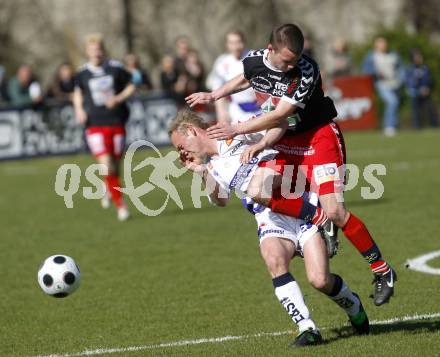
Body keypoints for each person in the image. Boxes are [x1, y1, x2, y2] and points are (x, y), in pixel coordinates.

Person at [186, 24, 396, 306]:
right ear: (270, 50)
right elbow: (245, 77)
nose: (290, 66)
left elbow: (282, 115)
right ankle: (318, 220)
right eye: (286, 60)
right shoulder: (253, 59)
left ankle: (382, 270)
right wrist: (215, 95)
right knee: (259, 188)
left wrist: (238, 130)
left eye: (295, 60)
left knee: (335, 209)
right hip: (286, 139)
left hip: (318, 137)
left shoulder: (306, 70)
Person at [169, 110, 369, 348]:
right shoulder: (213, 166)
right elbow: (220, 199)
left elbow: (280, 122)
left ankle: (352, 304)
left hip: (300, 204)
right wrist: (201, 171)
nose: (181, 153)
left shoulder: (236, 131)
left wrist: (262, 141)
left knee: (319, 279)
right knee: (274, 260)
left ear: (191, 131)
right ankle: (307, 327)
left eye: (180, 146)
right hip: (270, 218)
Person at [73, 33, 135, 221]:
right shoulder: (82, 73)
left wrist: (118, 98)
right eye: (92, 50)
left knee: (115, 166)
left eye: (99, 49)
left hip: (116, 120)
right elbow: (77, 93)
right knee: (106, 164)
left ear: (103, 50)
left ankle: (107, 186)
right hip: (94, 123)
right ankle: (121, 207)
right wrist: (78, 110)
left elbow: (132, 85)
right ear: (87, 51)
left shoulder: (115, 68)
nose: (96, 53)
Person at [206, 30, 260, 124]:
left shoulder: (255, 57)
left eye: (238, 42)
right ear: (227, 44)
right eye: (232, 43)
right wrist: (221, 113)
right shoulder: (222, 62)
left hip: (259, 108)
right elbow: (217, 89)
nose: (235, 46)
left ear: (244, 42)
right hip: (237, 110)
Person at [362, 37, 404, 137]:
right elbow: (366, 71)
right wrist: (376, 73)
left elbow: (401, 68)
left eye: (384, 43)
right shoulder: (371, 57)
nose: (383, 45)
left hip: (395, 83)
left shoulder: (393, 54)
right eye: (380, 43)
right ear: (376, 45)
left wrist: (400, 80)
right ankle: (389, 126)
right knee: (392, 101)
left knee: (395, 104)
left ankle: (394, 125)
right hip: (381, 84)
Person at [405, 49, 438, 129]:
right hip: (414, 93)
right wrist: (418, 88)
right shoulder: (409, 69)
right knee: (415, 109)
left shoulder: (425, 68)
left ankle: (434, 125)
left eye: (419, 56)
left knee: (430, 107)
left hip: (425, 92)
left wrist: (426, 88)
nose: (419, 58)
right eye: (417, 57)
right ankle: (417, 126)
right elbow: (409, 83)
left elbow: (428, 80)